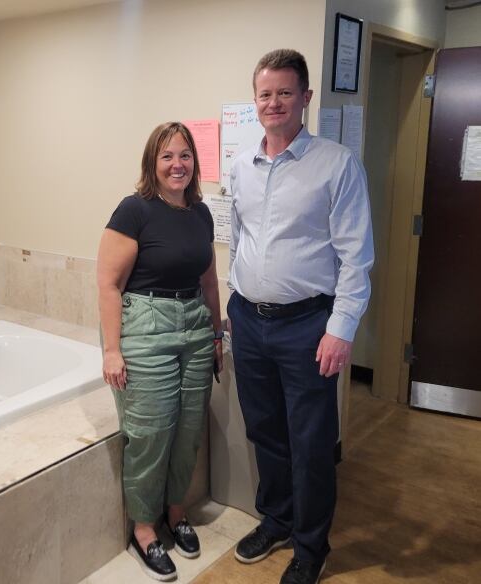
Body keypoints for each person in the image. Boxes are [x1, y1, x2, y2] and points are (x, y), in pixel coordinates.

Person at [227, 49, 374, 584]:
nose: (274, 103)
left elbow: (357, 257)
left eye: (285, 93)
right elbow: (238, 239)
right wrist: (232, 302)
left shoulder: (336, 164)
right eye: (265, 94)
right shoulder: (241, 166)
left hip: (307, 326)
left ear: (305, 98)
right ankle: (278, 519)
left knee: (311, 441)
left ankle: (311, 548)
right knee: (265, 429)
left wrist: (340, 329)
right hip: (248, 319)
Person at [97, 121, 224, 581]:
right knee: (151, 431)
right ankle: (145, 529)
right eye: (167, 156)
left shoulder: (201, 214)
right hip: (145, 328)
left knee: (189, 428)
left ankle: (176, 511)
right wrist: (113, 350)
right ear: (153, 162)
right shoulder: (135, 211)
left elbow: (209, 279)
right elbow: (108, 284)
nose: (177, 165)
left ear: (195, 163)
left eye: (185, 156)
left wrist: (215, 334)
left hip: (193, 324)